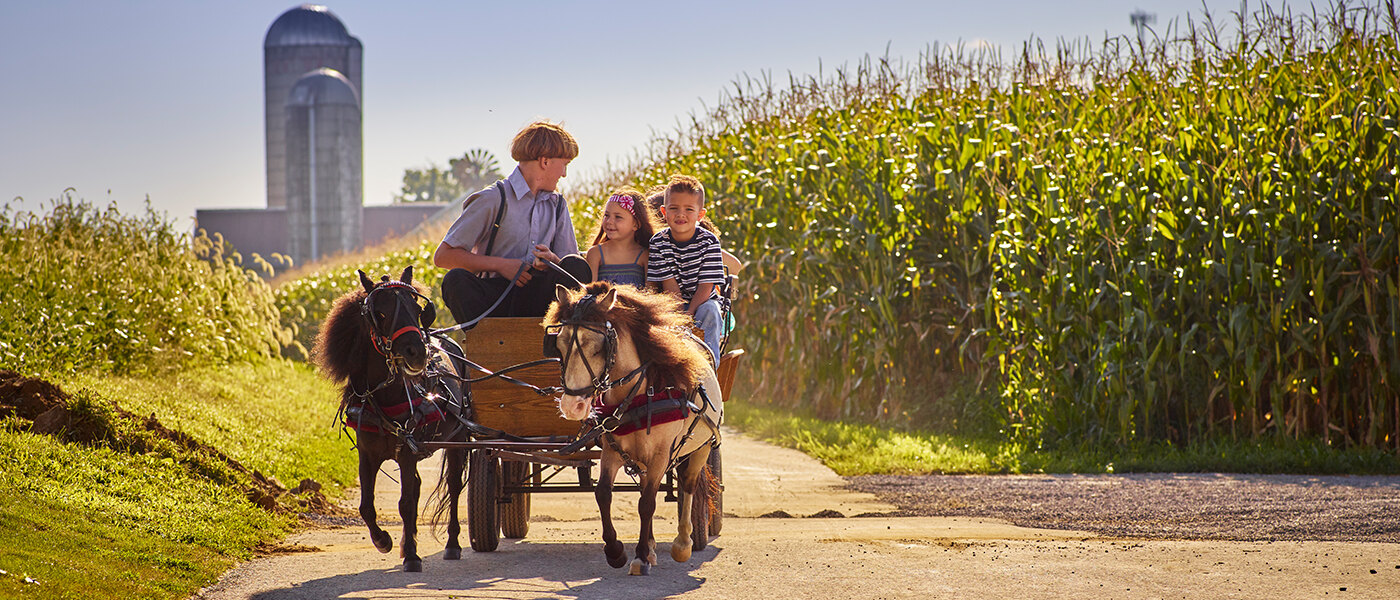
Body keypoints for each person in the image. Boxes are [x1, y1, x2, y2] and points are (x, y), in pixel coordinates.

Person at [433, 120, 591, 323]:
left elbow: (569, 267)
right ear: (545, 162)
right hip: (493, 302)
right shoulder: (493, 198)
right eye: (564, 164)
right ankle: (486, 341)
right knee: (455, 280)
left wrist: (552, 260)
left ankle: (558, 338)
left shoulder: (558, 204)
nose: (564, 174)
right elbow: (443, 257)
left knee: (576, 266)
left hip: (541, 304)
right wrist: (501, 266)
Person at [647, 175, 726, 362]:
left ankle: (709, 366)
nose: (680, 214)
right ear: (664, 212)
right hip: (672, 300)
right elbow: (669, 284)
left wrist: (690, 314)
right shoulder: (659, 242)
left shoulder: (709, 241)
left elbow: (706, 286)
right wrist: (680, 315)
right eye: (674, 208)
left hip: (703, 299)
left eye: (689, 209)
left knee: (710, 311)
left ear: (700, 215)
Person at [585, 187, 656, 288]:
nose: (609, 221)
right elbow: (589, 293)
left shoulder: (645, 256)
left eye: (618, 217)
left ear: (636, 224)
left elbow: (651, 296)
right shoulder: (595, 254)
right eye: (606, 215)